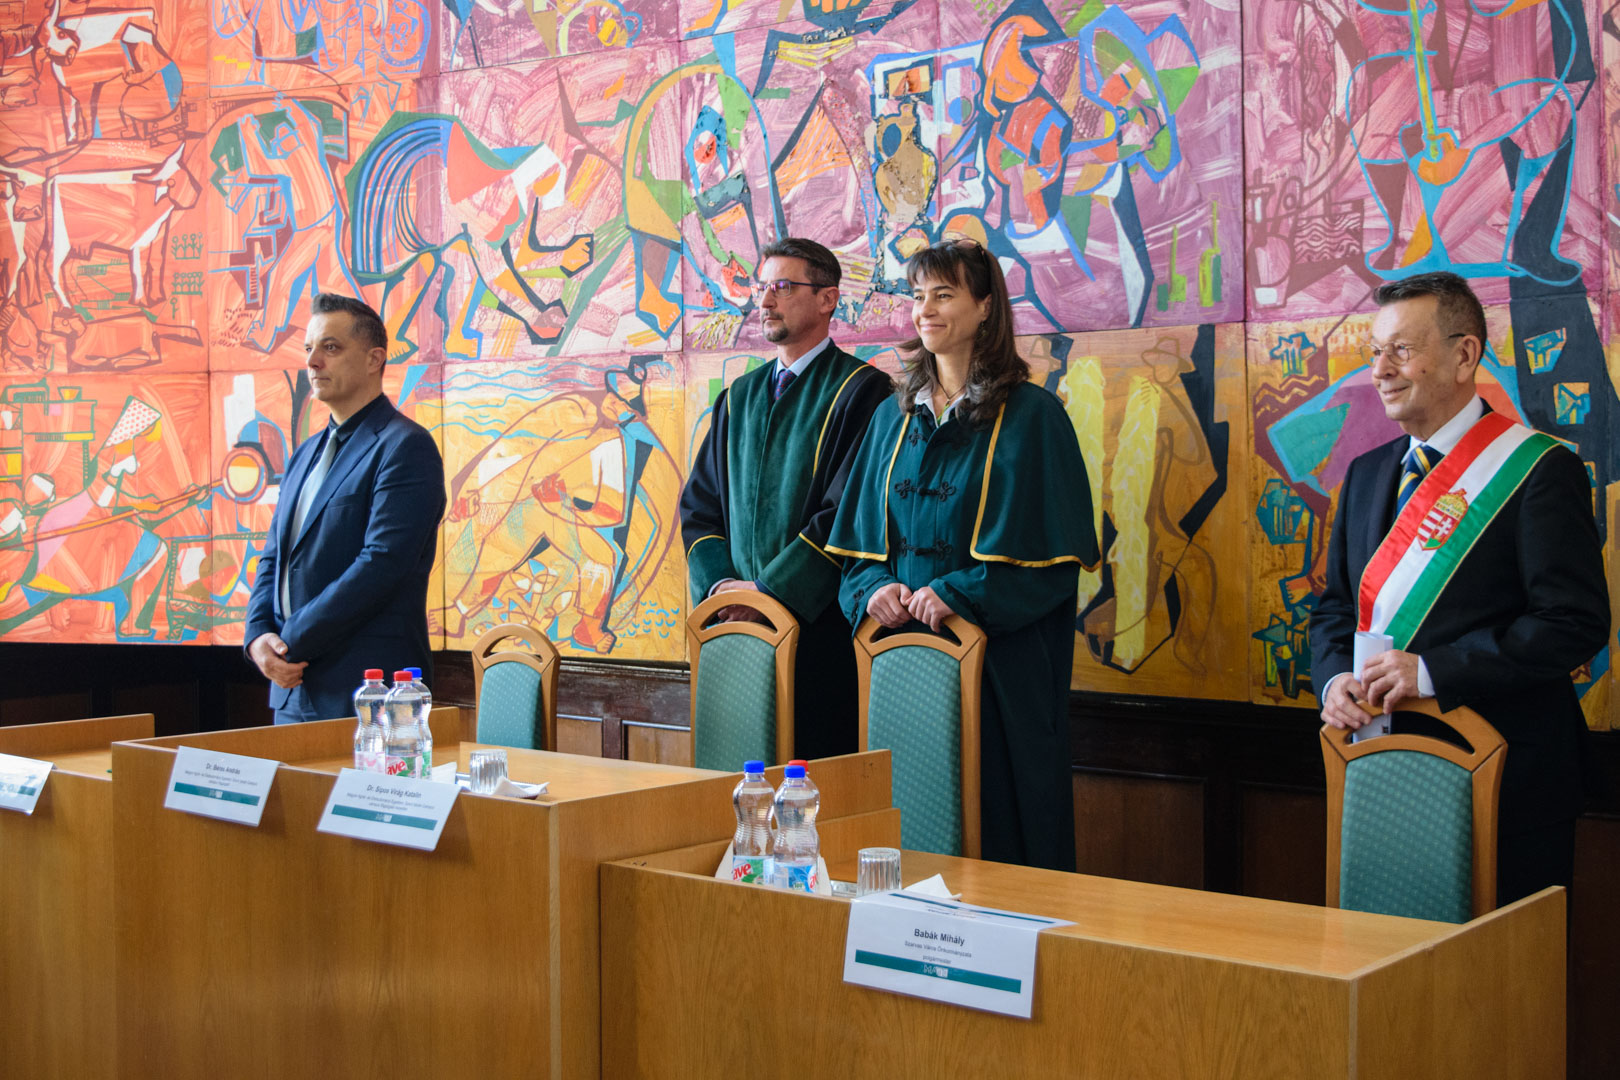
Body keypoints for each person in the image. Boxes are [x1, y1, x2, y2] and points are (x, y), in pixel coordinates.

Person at [1310, 271, 1608, 904]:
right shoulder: (1366, 474)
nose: (1380, 370)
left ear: (1465, 354)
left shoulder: (1538, 469)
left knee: (1501, 964)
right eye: (1375, 351)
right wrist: (1335, 683)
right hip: (1378, 766)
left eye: (1401, 350)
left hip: (1507, 776)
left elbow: (1572, 622)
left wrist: (1431, 671)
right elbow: (1335, 609)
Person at [827, 240, 1098, 871]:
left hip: (1002, 675)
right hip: (903, 669)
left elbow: (1053, 568)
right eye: (918, 296)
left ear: (984, 306)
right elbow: (856, 550)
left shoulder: (1034, 417)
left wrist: (958, 593)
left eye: (944, 295)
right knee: (910, 829)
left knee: (1000, 834)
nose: (925, 310)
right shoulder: (890, 419)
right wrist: (873, 588)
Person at [680, 237, 891, 760]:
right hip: (736, 632)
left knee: (812, 779)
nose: (766, 300)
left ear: (827, 299)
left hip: (819, 633)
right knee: (737, 780)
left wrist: (770, 592)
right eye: (762, 287)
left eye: (783, 286)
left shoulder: (863, 391)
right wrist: (725, 590)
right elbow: (700, 508)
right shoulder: (739, 397)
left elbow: (846, 512)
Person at [244, 294, 446, 724]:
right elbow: (273, 557)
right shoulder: (304, 454)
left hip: (371, 694)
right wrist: (258, 636)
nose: (313, 361)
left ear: (375, 359)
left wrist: (289, 641)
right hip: (292, 690)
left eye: (331, 347)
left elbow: (381, 565)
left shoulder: (406, 447)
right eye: (309, 349)